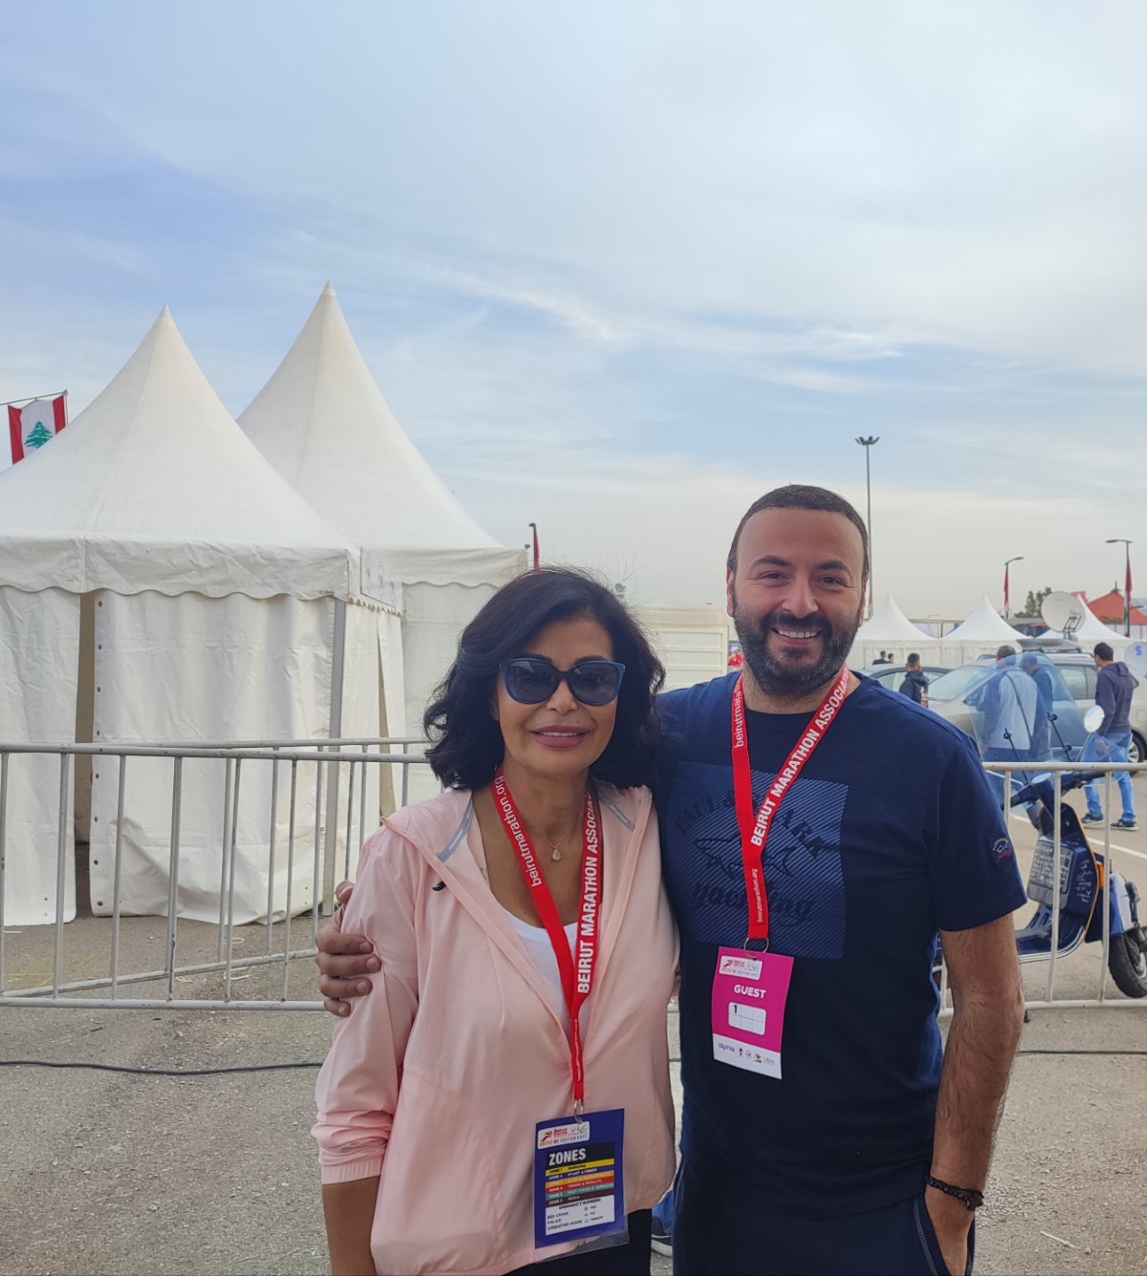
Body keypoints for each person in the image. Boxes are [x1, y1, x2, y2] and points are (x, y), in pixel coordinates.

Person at [319, 486, 1027, 1276]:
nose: (799, 602)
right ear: (729, 586)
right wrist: (383, 907)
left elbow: (992, 999)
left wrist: (952, 1199)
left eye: (829, 577)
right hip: (719, 1191)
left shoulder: (930, 760)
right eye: (772, 573)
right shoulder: (667, 737)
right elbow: (532, 807)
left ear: (862, 594)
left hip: (881, 1196)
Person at [312, 568, 677, 1276]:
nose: (563, 701)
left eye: (592, 678)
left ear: (620, 694)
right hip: (461, 1251)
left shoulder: (648, 829)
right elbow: (355, 1110)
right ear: (490, 691)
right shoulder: (411, 855)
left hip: (607, 1228)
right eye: (531, 675)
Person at [1081, 641, 1138, 830]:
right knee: (1122, 774)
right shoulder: (1125, 674)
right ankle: (1129, 817)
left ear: (1097, 657)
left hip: (1109, 731)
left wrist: (1100, 735)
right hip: (1124, 729)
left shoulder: (1105, 676)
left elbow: (1108, 708)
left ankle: (1094, 812)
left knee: (1085, 769)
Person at [974, 645, 1039, 765]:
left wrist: (984, 739)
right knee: (1018, 776)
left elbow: (991, 713)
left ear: (999, 659)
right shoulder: (1031, 682)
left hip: (999, 743)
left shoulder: (997, 680)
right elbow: (1040, 715)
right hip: (1024, 743)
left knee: (997, 776)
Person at [1019, 652, 1055, 762]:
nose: (1021, 665)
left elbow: (1041, 702)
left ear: (1028, 662)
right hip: (1038, 720)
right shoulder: (1036, 676)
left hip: (1041, 720)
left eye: (1023, 662)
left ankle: (1047, 769)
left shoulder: (1040, 677)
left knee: (1043, 751)